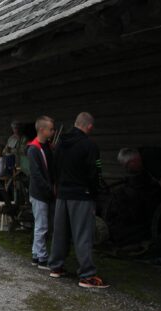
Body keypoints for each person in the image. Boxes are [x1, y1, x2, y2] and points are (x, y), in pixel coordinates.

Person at [49, 112, 109, 289]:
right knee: (83, 234)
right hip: (82, 195)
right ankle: (87, 276)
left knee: (60, 233)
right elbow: (95, 171)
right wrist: (95, 191)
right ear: (89, 127)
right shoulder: (89, 145)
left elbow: (54, 168)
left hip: (62, 194)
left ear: (76, 123)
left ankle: (56, 267)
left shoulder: (60, 144)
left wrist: (58, 186)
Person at [27, 116, 55, 270]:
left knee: (41, 225)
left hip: (45, 191)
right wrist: (49, 189)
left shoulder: (48, 147)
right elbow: (36, 175)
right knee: (42, 226)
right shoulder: (33, 149)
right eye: (50, 129)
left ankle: (36, 255)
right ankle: (42, 259)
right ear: (42, 130)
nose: (53, 131)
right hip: (39, 192)